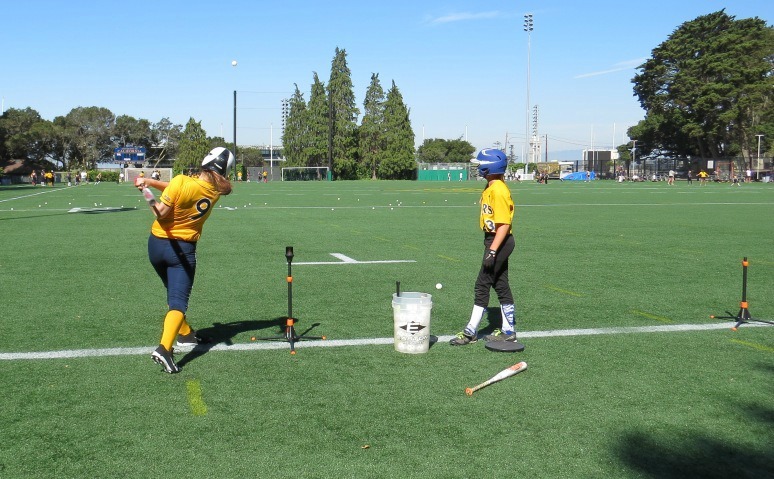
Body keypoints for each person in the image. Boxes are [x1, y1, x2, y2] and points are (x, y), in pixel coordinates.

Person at [136, 147, 235, 373]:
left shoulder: (181, 181)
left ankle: (185, 334)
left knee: (173, 295)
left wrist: (145, 191)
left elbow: (160, 212)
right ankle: (164, 349)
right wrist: (151, 182)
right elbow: (178, 190)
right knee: (178, 301)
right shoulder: (215, 191)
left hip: (156, 245)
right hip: (182, 250)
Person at [450, 148, 518, 346]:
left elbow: (504, 224)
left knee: (482, 285)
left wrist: (493, 250)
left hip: (499, 241)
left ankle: (471, 331)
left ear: (491, 166)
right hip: (494, 239)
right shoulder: (492, 186)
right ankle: (508, 330)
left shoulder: (498, 190)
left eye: (480, 164)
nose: (478, 167)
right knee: (500, 284)